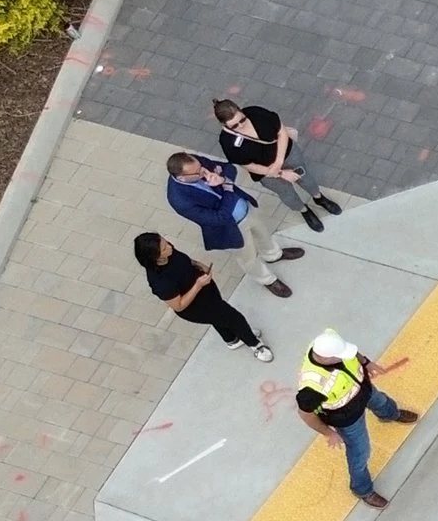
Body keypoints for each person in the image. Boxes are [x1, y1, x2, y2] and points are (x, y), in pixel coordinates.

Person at [294, 329, 420, 509]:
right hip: (348, 419)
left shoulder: (329, 340)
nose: (346, 356)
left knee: (382, 401)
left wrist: (366, 363)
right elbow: (305, 414)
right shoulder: (312, 387)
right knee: (361, 453)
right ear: (327, 358)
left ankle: (390, 414)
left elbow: (352, 353)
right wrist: (328, 433)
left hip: (364, 390)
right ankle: (362, 489)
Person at [165, 151, 301, 296]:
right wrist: (227, 187)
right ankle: (268, 280)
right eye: (197, 172)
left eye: (201, 167)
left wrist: (222, 178)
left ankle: (273, 254)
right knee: (247, 257)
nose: (204, 171)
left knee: (262, 234)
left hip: (245, 207)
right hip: (230, 228)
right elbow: (219, 218)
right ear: (182, 178)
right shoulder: (179, 200)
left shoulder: (194, 163)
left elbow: (229, 168)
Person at [134, 232, 271, 361]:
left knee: (220, 319)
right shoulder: (160, 282)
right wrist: (198, 285)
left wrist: (199, 265)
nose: (169, 247)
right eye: (164, 248)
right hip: (197, 307)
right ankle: (255, 344)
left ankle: (232, 339)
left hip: (207, 291)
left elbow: (186, 260)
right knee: (234, 318)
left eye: (166, 243)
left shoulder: (169, 252)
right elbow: (179, 306)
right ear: (155, 257)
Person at [214, 98, 340, 233]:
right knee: (286, 193)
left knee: (305, 177)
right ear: (224, 124)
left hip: (288, 154)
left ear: (241, 110)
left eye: (242, 120)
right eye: (234, 126)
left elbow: (281, 132)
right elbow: (248, 165)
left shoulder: (256, 113)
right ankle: (304, 210)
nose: (241, 125)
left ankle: (319, 198)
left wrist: (278, 163)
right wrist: (279, 173)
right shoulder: (227, 141)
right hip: (266, 172)